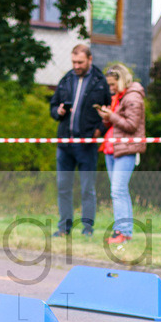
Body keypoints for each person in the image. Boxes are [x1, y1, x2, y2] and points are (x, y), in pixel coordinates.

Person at [49, 44, 111, 237]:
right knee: (63, 187)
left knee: (87, 189)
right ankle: (64, 228)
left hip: (86, 145)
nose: (76, 66)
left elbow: (110, 110)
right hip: (65, 144)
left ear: (90, 60)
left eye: (80, 62)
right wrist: (58, 111)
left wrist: (100, 130)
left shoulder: (100, 82)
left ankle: (87, 230)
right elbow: (53, 106)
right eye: (74, 62)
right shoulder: (66, 79)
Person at [98, 63, 145, 245]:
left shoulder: (133, 97)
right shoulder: (119, 96)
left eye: (112, 84)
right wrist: (106, 117)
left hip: (126, 149)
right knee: (119, 191)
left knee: (118, 190)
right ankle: (124, 232)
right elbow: (117, 123)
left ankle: (122, 232)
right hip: (113, 148)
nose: (110, 88)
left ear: (122, 79)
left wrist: (111, 116)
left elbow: (131, 125)